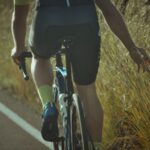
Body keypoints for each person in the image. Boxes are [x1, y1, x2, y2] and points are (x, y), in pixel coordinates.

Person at [11, 0, 150, 149]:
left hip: (47, 22)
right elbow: (109, 10)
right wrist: (132, 48)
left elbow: (19, 16)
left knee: (39, 58)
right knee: (88, 90)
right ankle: (94, 147)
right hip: (85, 24)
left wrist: (18, 48)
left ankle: (48, 106)